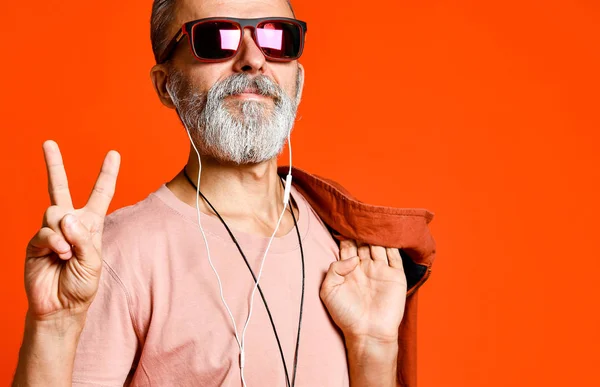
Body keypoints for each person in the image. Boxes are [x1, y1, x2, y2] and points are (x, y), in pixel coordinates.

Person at [12, 0, 436, 386]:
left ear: (298, 80)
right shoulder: (114, 256)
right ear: (166, 86)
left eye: (276, 38)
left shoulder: (349, 250)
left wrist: (374, 349)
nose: (253, 60)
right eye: (216, 38)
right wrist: (55, 326)